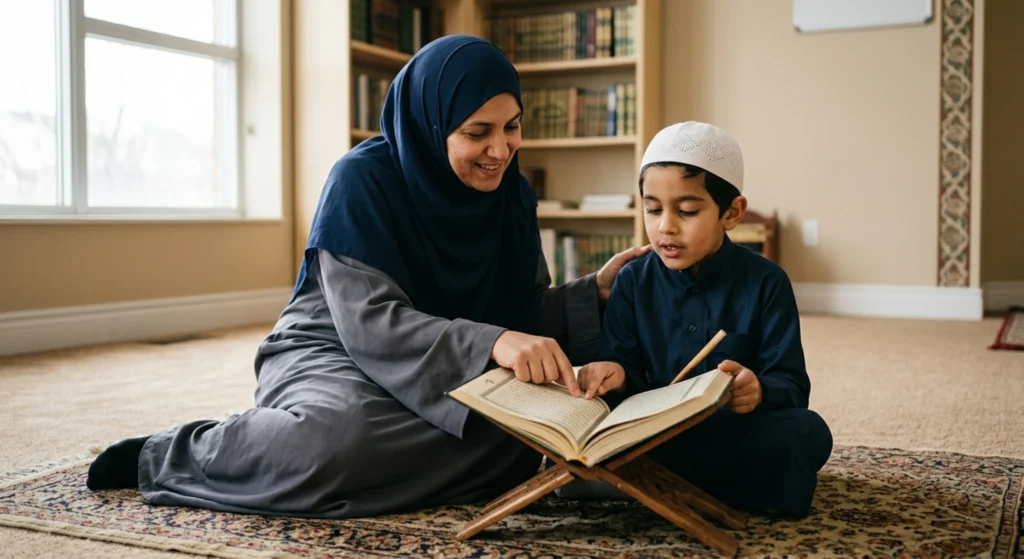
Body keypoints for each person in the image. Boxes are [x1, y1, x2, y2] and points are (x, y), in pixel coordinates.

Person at [85, 35, 649, 518]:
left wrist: (592, 293)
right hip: (334, 349)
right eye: (478, 132)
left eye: (512, 127)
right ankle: (177, 454)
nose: (500, 150)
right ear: (432, 124)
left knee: (514, 434)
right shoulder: (361, 181)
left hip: (446, 364)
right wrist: (493, 342)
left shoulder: (510, 196)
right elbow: (372, 322)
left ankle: (381, 469)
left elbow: (518, 313)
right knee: (336, 442)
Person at [574, 121, 833, 518]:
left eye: (688, 211)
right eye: (653, 208)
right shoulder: (632, 280)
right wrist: (615, 373)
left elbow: (792, 385)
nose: (666, 227)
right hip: (651, 433)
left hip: (727, 430)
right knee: (592, 432)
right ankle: (714, 486)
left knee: (809, 433)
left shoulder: (767, 283)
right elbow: (623, 370)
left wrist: (758, 391)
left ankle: (633, 483)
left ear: (732, 213)